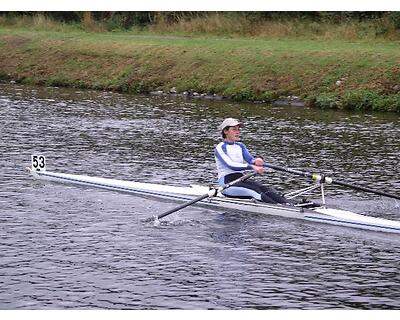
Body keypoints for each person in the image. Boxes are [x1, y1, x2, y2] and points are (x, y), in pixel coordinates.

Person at [214, 118, 289, 204]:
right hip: (226, 184)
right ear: (225, 131)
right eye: (234, 129)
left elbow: (250, 160)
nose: (237, 132)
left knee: (264, 188)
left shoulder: (240, 146)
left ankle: (287, 204)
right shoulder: (220, 148)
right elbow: (231, 165)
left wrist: (256, 161)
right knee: (255, 191)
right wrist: (252, 166)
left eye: (238, 129)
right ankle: (280, 208)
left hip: (241, 179)